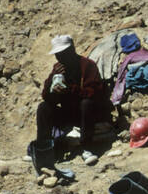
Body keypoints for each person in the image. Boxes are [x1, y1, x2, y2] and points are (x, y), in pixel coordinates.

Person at [35, 34, 108, 166]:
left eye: (64, 54)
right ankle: (43, 148)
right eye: (58, 55)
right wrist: (52, 82)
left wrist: (70, 89)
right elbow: (47, 97)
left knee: (86, 104)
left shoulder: (87, 66)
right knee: (43, 107)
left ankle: (87, 147)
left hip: (88, 115)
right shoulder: (58, 69)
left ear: (72, 50)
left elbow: (94, 94)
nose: (60, 58)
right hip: (69, 113)